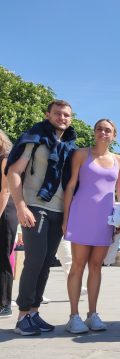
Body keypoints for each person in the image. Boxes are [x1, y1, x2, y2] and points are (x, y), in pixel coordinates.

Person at [6, 100, 77, 335]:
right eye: (57, 113)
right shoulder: (35, 137)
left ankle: (34, 312)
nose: (62, 118)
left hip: (58, 210)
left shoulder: (68, 144)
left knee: (46, 263)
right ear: (48, 115)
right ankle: (22, 316)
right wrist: (20, 206)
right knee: (35, 260)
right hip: (35, 205)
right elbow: (14, 172)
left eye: (67, 115)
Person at [62, 119, 120, 334]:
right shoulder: (81, 154)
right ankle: (74, 316)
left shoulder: (118, 160)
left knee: (97, 266)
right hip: (81, 214)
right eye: (99, 129)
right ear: (94, 132)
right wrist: (66, 217)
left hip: (105, 217)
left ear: (114, 135)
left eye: (107, 130)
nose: (103, 132)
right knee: (78, 265)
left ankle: (92, 314)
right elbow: (71, 185)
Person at [0, 130, 17, 318]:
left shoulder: (5, 158)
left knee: (3, 256)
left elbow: (5, 191)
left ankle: (5, 304)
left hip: (6, 210)